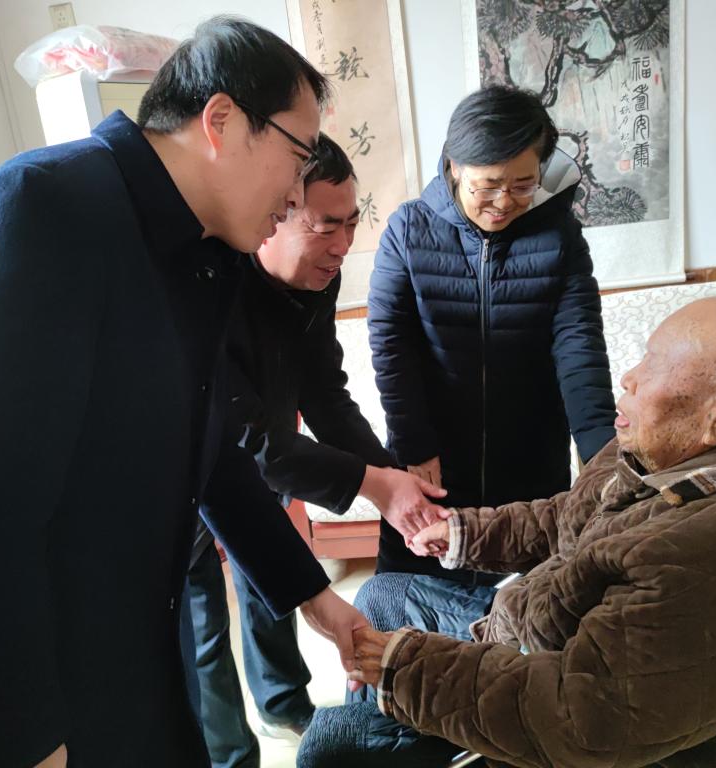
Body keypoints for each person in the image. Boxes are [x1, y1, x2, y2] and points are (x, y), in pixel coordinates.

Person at [0, 17, 369, 768]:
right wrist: (23, 746)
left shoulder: (197, 256)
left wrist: (313, 595)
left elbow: (210, 448)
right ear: (221, 121)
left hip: (114, 660)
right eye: (299, 153)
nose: (298, 188)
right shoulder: (41, 210)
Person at [301, 297, 716, 768]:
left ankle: (389, 728)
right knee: (383, 594)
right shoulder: (674, 451)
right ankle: (391, 723)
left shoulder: (712, 553)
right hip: (545, 627)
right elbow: (569, 514)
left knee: (331, 744)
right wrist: (464, 531)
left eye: (656, 364)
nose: (630, 377)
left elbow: (579, 719)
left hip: (566, 700)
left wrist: (404, 668)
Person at [188, 134, 450, 767]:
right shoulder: (209, 289)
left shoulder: (316, 278)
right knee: (202, 622)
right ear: (275, 212)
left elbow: (326, 395)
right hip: (193, 478)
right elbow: (248, 440)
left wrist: (391, 481)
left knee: (272, 580)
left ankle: (283, 702)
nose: (342, 245)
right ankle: (229, 754)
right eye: (324, 225)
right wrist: (377, 485)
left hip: (270, 463)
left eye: (351, 223)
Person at [367, 85, 616, 590]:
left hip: (531, 455)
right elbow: (391, 344)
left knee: (530, 605)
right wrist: (414, 442)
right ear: (455, 166)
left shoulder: (560, 237)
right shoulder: (408, 230)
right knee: (416, 596)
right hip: (433, 454)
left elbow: (580, 346)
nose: (504, 203)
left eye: (523, 185)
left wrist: (603, 459)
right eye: (489, 185)